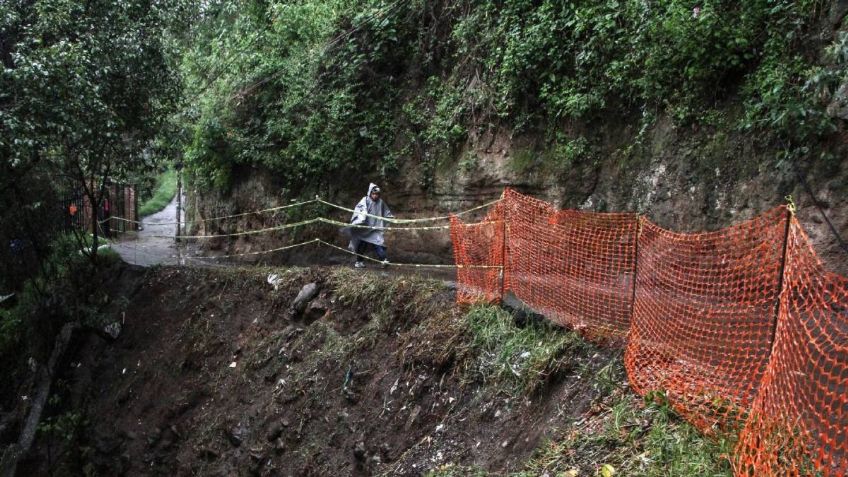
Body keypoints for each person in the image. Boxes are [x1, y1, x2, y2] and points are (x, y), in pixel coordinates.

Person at [348, 183, 394, 268]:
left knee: (379, 244)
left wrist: (389, 218)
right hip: (365, 228)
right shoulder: (365, 200)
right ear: (370, 193)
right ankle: (359, 262)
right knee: (362, 245)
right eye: (373, 194)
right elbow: (359, 210)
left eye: (377, 194)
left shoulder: (380, 202)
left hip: (375, 228)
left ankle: (383, 261)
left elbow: (387, 213)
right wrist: (361, 218)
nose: (375, 196)